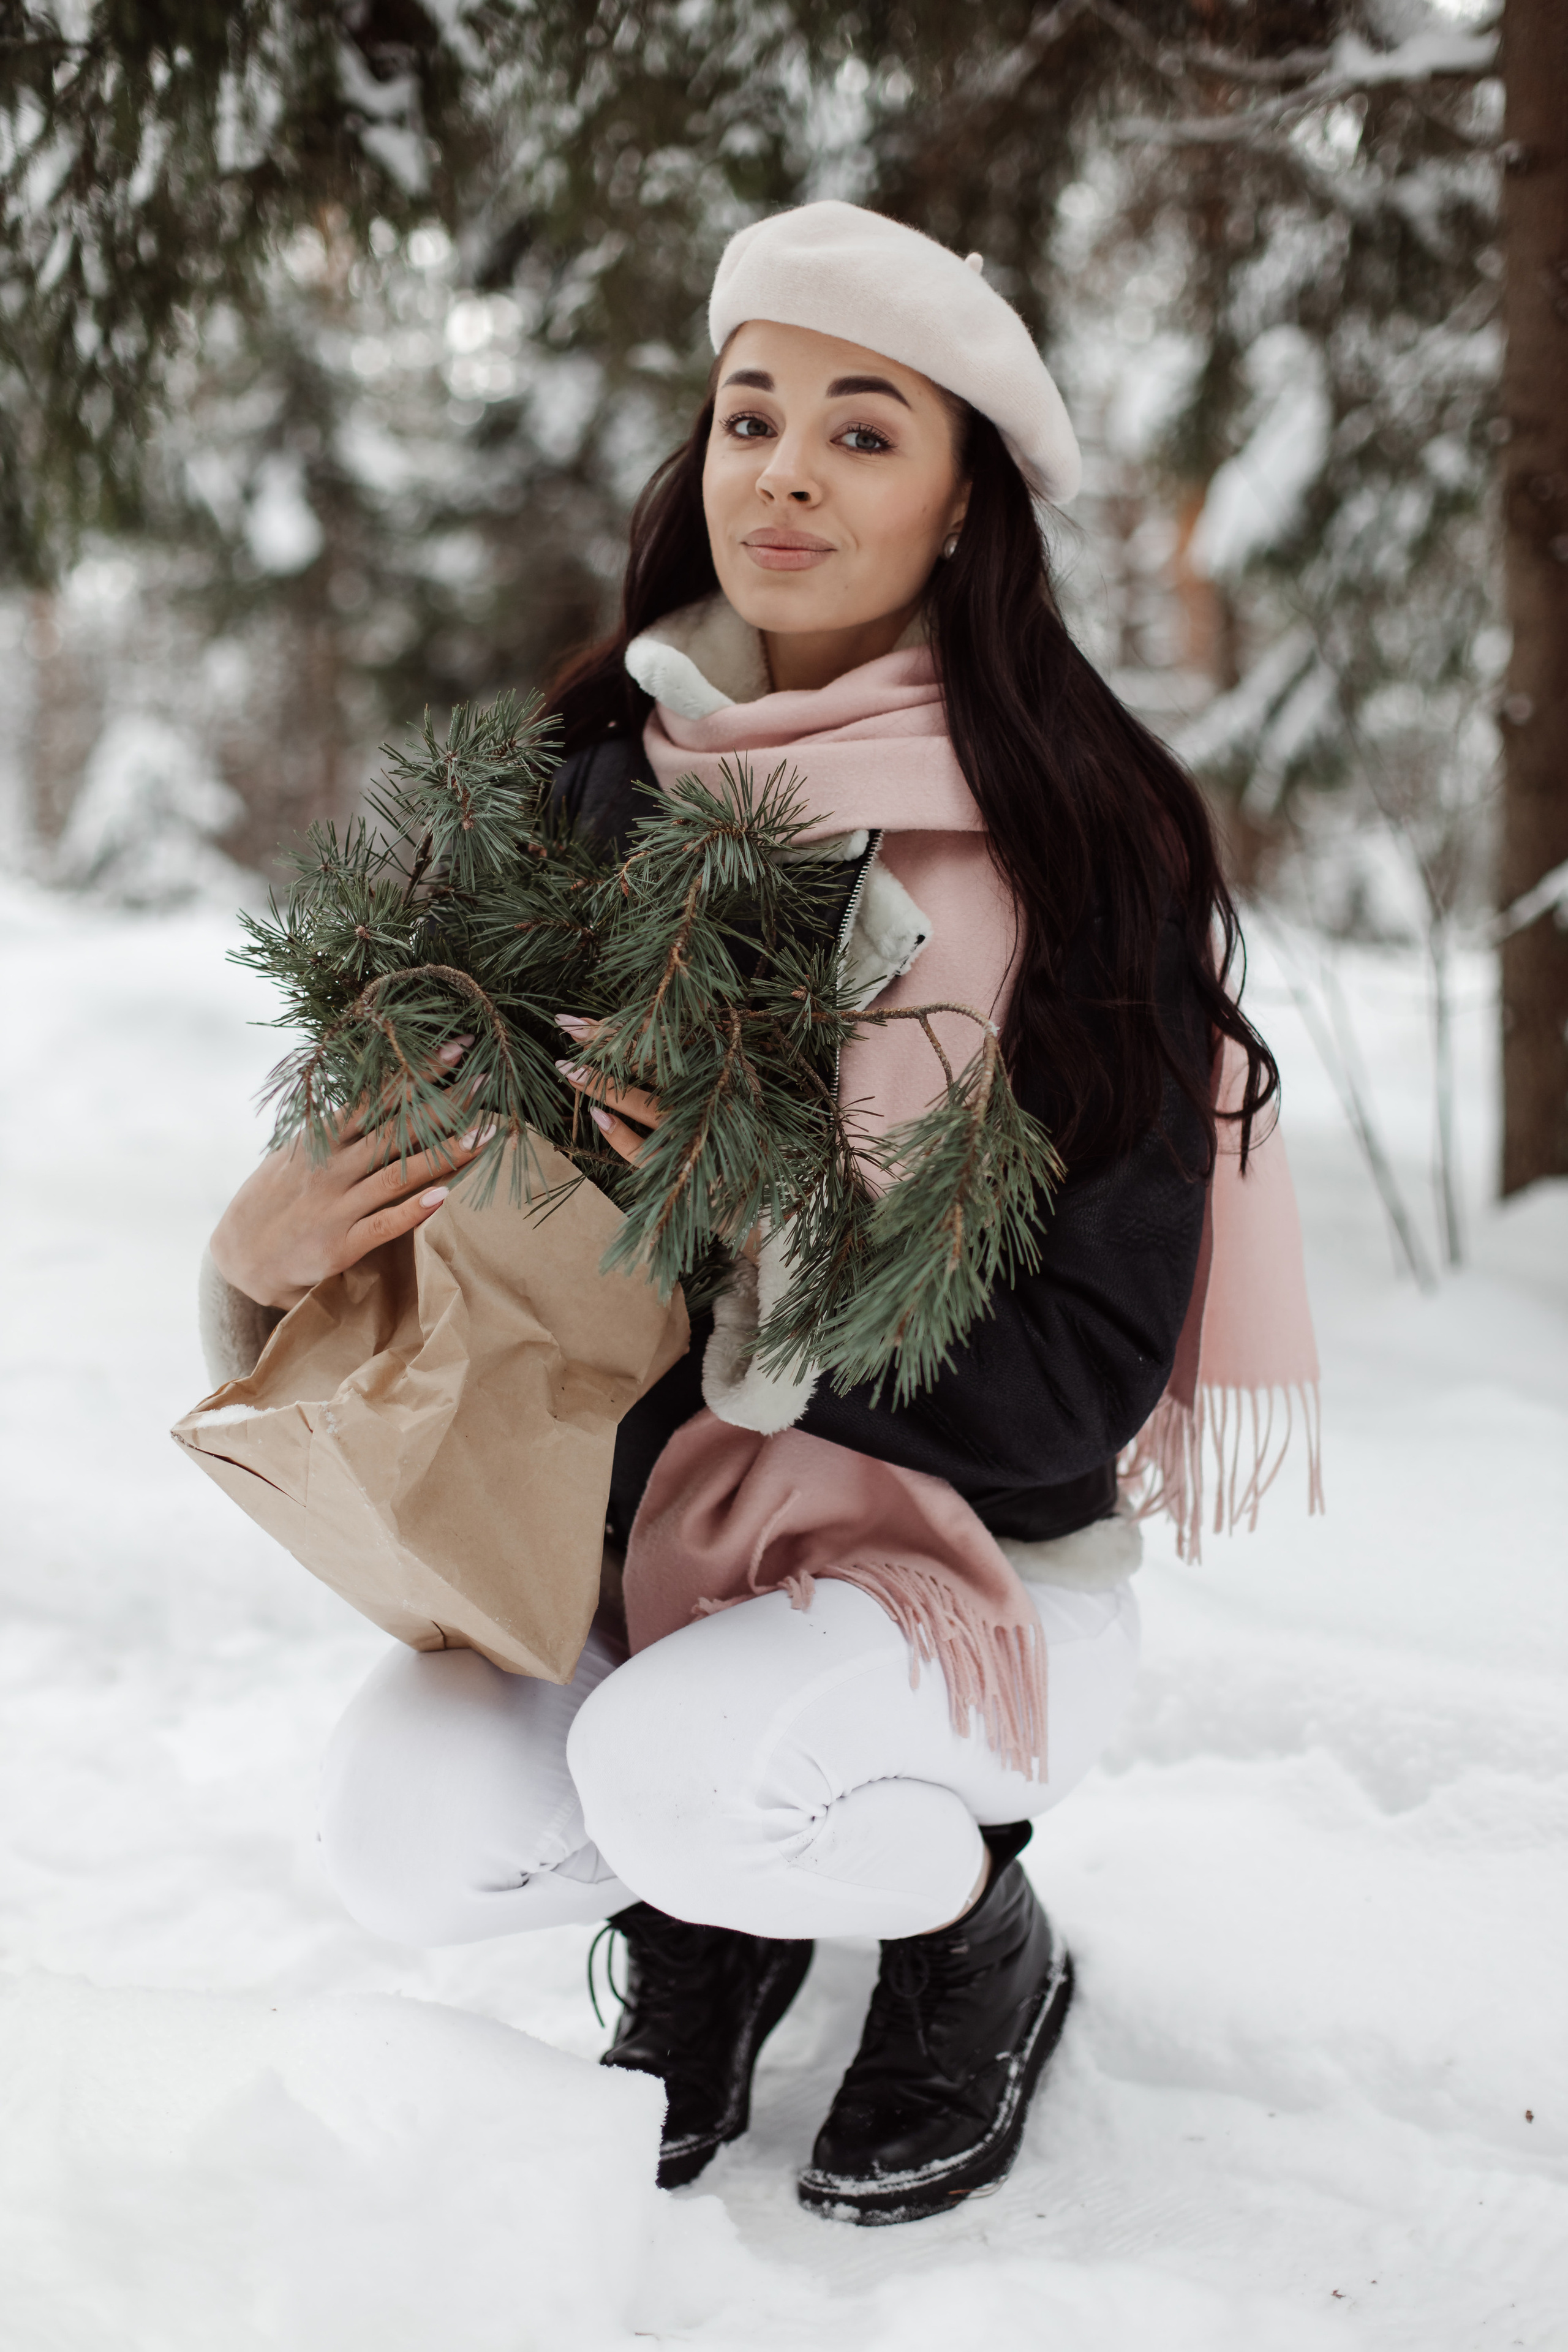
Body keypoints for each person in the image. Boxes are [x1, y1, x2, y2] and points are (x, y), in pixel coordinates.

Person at [203, 202, 1295, 2226]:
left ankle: (973, 1935)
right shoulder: (592, 778)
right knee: (398, 1831)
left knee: (684, 1779)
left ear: (967, 503)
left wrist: (788, 1257)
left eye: (865, 433)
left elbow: (1081, 1377)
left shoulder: (1073, 838)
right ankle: (719, 1921)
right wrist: (268, 1267)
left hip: (972, 1571)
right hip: (639, 1544)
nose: (783, 471)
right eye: (749, 415)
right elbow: (467, 1235)